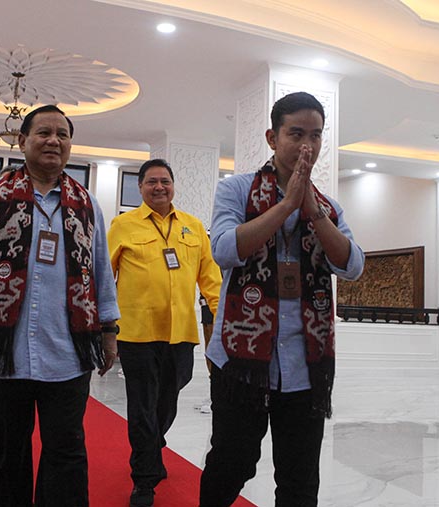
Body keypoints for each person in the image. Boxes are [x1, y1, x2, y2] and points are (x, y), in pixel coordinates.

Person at [0, 104, 120, 507]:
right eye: (43, 132)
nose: (53, 140)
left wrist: (109, 331)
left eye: (62, 134)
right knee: (8, 451)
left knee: (67, 449)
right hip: (7, 349)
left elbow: (100, 273)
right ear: (22, 141)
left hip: (68, 350)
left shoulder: (87, 204)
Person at [199, 91, 365, 507]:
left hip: (306, 365)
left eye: (316, 135)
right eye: (296, 133)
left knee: (299, 477)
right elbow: (223, 249)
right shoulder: (235, 190)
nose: (307, 145)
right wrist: (286, 204)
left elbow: (352, 264)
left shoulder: (327, 206)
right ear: (273, 138)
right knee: (231, 464)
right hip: (240, 361)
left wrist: (312, 210)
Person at [107, 159, 222, 507]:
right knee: (142, 404)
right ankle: (144, 478)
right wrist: (102, 325)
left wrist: (221, 315)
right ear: (140, 187)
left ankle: (153, 442)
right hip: (137, 331)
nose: (160, 187)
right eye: (152, 182)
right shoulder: (123, 225)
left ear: (173, 186)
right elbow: (104, 277)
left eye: (165, 182)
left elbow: (210, 276)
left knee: (170, 395)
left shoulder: (192, 227)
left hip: (181, 331)